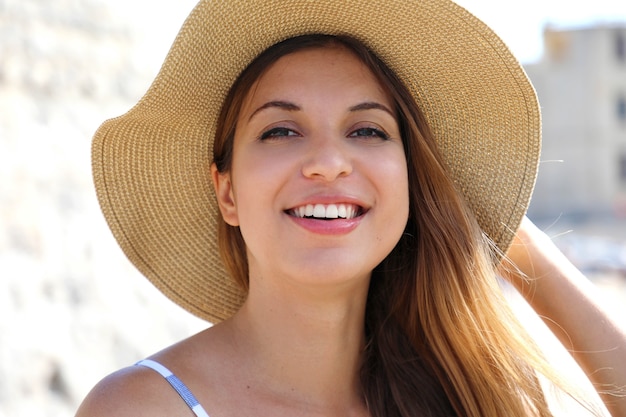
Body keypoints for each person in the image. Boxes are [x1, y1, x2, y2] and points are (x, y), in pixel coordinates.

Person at [76, 1, 626, 416]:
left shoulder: (463, 396)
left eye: (367, 130)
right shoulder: (145, 406)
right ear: (228, 193)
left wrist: (526, 251)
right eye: (280, 131)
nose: (329, 162)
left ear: (411, 182)